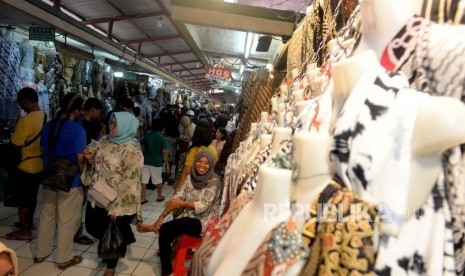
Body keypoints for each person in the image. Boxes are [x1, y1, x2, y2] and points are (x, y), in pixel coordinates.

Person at [137, 150, 222, 276]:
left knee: (179, 223)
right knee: (166, 232)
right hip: (189, 217)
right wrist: (161, 217)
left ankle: (153, 229)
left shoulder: (214, 181)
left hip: (205, 221)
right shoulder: (190, 177)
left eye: (206, 163)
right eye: (199, 161)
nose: (202, 165)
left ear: (211, 165)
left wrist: (181, 204)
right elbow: (176, 199)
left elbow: (203, 206)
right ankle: (167, 271)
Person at [83, 111, 143, 276]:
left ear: (125, 126)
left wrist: (118, 208)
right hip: (98, 193)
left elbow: (130, 182)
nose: (111, 127)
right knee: (93, 226)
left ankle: (111, 266)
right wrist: (89, 160)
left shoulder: (132, 150)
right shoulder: (104, 140)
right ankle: (113, 245)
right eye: (110, 123)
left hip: (117, 198)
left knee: (113, 231)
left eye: (115, 125)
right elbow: (96, 165)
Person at [35, 92, 86, 270]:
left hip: (50, 176)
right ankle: (64, 258)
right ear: (77, 110)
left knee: (46, 215)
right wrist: (85, 177)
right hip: (71, 181)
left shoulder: (49, 126)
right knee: (67, 219)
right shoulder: (78, 130)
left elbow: (42, 149)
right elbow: (80, 158)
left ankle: (41, 253)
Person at [5, 88, 47, 241]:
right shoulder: (46, 117)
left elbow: (15, 143)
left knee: (23, 199)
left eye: (22, 104)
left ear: (27, 102)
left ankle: (24, 231)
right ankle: (28, 223)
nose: (21, 107)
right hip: (40, 164)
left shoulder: (25, 120)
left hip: (25, 165)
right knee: (32, 197)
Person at [74, 97, 103, 245]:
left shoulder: (92, 123)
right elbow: (80, 154)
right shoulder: (80, 125)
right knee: (78, 200)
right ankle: (76, 232)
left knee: (81, 200)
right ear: (92, 110)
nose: (98, 114)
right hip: (80, 167)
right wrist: (84, 176)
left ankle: (77, 230)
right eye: (97, 111)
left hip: (87, 165)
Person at [173, 119, 218, 192]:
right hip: (205, 184)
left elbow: (186, 172)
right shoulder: (213, 150)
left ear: (196, 133)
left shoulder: (195, 150)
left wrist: (177, 191)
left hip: (191, 186)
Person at [141, 118, 170, 204]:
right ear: (162, 127)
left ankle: (142, 198)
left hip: (145, 161)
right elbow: (164, 153)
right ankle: (159, 196)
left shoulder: (147, 136)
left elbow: (142, 149)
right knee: (158, 181)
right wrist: (167, 165)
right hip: (156, 163)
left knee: (144, 181)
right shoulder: (163, 138)